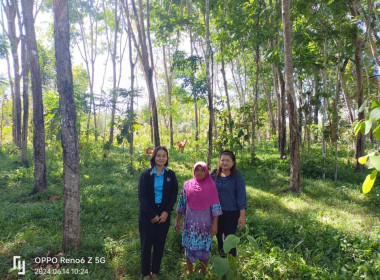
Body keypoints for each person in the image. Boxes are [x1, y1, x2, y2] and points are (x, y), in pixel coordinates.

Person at [138, 146, 179, 279]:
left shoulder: (171, 175)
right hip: (147, 214)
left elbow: (173, 195)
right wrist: (151, 214)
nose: (161, 158)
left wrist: (166, 212)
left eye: (164, 156)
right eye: (158, 155)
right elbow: (142, 196)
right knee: (146, 244)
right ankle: (145, 273)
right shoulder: (146, 175)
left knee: (159, 244)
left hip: (164, 214)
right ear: (154, 157)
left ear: (167, 158)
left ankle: (155, 272)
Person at [175, 161, 222, 274]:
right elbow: (182, 204)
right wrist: (178, 221)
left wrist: (215, 225)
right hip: (190, 225)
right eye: (197, 169)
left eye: (202, 170)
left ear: (206, 172)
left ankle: (202, 272)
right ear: (194, 171)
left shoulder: (211, 186)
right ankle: (190, 271)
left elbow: (215, 207)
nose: (199, 172)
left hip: (205, 227)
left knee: (204, 250)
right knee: (188, 248)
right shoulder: (187, 185)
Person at [212, 150, 247, 257]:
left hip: (231, 213)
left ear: (233, 163)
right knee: (219, 238)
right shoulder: (214, 174)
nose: (224, 163)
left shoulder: (237, 176)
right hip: (216, 213)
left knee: (229, 239)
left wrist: (242, 216)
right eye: (222, 160)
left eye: (228, 160)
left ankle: (231, 263)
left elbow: (241, 197)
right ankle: (222, 262)